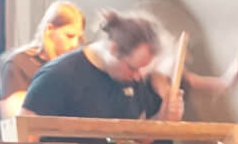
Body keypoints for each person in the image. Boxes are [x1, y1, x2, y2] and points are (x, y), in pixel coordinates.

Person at [21, 9, 183, 126]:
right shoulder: (57, 76)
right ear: (114, 49)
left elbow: (136, 138)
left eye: (143, 69)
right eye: (133, 68)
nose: (138, 77)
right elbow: (23, 140)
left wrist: (162, 118)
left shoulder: (132, 80)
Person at [0, 0, 86, 118]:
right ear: (49, 29)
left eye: (78, 38)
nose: (75, 44)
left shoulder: (75, 68)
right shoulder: (19, 64)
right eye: (69, 36)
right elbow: (16, 118)